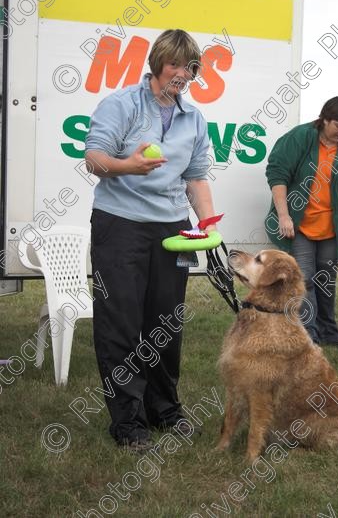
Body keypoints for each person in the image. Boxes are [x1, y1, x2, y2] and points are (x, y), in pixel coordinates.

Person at [85, 29, 217, 452]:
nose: (183, 73)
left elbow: (195, 176)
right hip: (119, 225)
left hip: (172, 229)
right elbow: (93, 157)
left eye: (190, 67)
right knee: (121, 324)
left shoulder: (193, 118)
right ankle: (128, 422)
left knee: (165, 323)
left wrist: (208, 224)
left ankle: (165, 409)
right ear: (158, 64)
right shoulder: (121, 104)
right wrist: (128, 166)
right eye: (176, 64)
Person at [265, 96, 338, 346]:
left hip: (330, 228)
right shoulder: (299, 138)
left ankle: (329, 334)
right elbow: (277, 173)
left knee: (326, 281)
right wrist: (284, 215)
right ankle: (309, 336)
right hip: (299, 224)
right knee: (306, 281)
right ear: (324, 119)